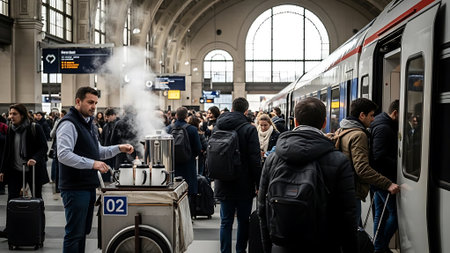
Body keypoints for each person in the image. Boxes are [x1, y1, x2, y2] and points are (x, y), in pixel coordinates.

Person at [258, 97, 357, 252]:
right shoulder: (339, 161)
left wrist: (268, 247)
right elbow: (348, 214)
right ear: (324, 123)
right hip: (324, 245)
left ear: (296, 122)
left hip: (282, 244)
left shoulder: (273, 158)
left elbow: (262, 209)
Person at [56, 87, 134, 253]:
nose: (93, 107)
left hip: (87, 186)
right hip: (74, 187)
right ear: (78, 102)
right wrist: (93, 164)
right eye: (90, 102)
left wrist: (119, 148)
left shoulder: (89, 124)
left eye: (96, 103)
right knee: (74, 233)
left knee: (82, 232)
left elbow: (97, 151)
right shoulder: (69, 123)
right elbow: (63, 154)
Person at [334, 98, 400, 226]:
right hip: (352, 191)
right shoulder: (359, 135)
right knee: (353, 232)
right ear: (362, 115)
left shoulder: (342, 129)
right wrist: (387, 184)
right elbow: (362, 168)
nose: (373, 119)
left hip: (343, 187)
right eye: (371, 115)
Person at [214, 97, 261, 253]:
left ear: (232, 108)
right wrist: (259, 184)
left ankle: (225, 251)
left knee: (225, 221)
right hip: (244, 182)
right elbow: (255, 159)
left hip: (223, 179)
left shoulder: (218, 126)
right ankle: (240, 250)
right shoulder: (249, 129)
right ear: (246, 111)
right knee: (243, 220)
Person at [0, 104, 50, 238]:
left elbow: (43, 147)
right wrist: (2, 170)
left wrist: (35, 158)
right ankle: (9, 229)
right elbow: (7, 151)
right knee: (11, 200)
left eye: (14, 114)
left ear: (22, 115)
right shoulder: (11, 129)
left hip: (32, 170)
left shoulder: (34, 128)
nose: (11, 117)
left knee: (37, 199)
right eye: (10, 114)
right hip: (15, 170)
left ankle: (39, 228)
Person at [370, 100, 399, 253]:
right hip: (384, 179)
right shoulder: (384, 128)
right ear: (395, 113)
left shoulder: (383, 124)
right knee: (395, 215)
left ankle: (378, 246)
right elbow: (379, 155)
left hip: (379, 179)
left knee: (380, 214)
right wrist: (399, 165)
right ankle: (380, 247)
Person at [166, 107, 201, 197]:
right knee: (188, 192)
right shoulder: (192, 129)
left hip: (173, 165)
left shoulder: (168, 129)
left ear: (176, 116)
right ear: (186, 116)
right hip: (188, 165)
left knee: (173, 191)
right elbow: (198, 148)